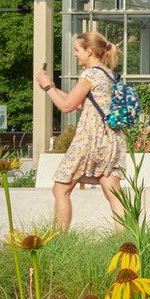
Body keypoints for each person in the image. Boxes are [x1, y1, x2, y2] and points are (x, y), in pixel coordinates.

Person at [35, 29, 129, 231]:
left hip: (91, 138)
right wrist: (53, 87)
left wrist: (46, 87)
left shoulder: (90, 74)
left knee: (61, 189)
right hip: (112, 140)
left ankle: (59, 239)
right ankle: (128, 239)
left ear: (89, 51)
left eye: (77, 50)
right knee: (112, 191)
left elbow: (67, 106)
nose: (75, 54)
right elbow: (82, 104)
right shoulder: (109, 74)